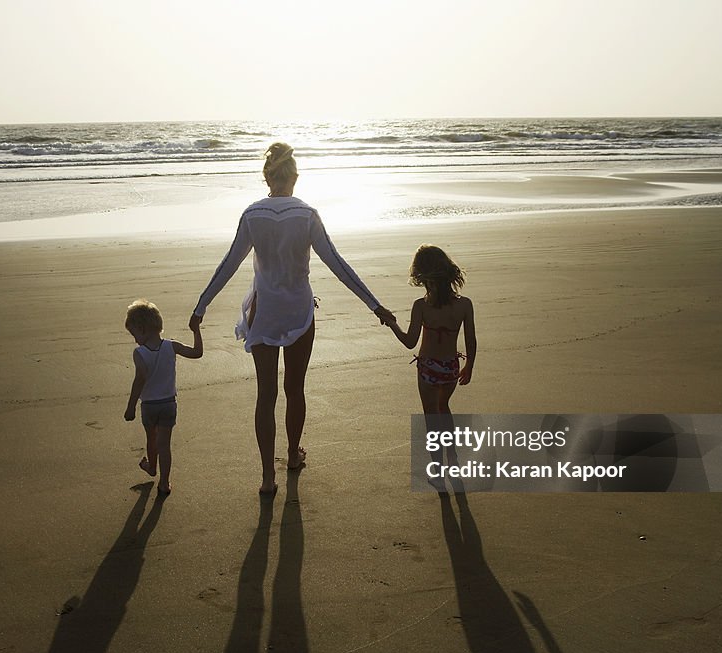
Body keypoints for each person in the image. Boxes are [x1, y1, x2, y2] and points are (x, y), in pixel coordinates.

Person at [189, 142, 395, 495]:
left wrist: (200, 307)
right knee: (294, 389)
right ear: (295, 178)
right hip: (299, 311)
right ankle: (293, 455)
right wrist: (374, 305)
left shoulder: (252, 215)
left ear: (267, 177)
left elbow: (229, 264)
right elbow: (338, 264)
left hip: (264, 313)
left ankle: (268, 476)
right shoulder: (307, 215)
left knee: (265, 395)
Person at [124, 299, 203, 495]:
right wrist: (196, 331)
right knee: (164, 445)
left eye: (134, 334)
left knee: (151, 439)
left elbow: (140, 379)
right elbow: (197, 353)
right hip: (169, 404)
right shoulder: (171, 346)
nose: (135, 340)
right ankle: (164, 483)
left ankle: (152, 468)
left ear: (142, 329)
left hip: (149, 406)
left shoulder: (140, 353)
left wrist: (131, 406)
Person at [385, 244, 476, 413]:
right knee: (443, 406)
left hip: (429, 367)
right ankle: (449, 440)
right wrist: (469, 365)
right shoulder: (465, 304)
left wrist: (392, 323)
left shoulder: (421, 306)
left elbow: (410, 342)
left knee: (431, 414)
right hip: (451, 368)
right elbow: (470, 340)